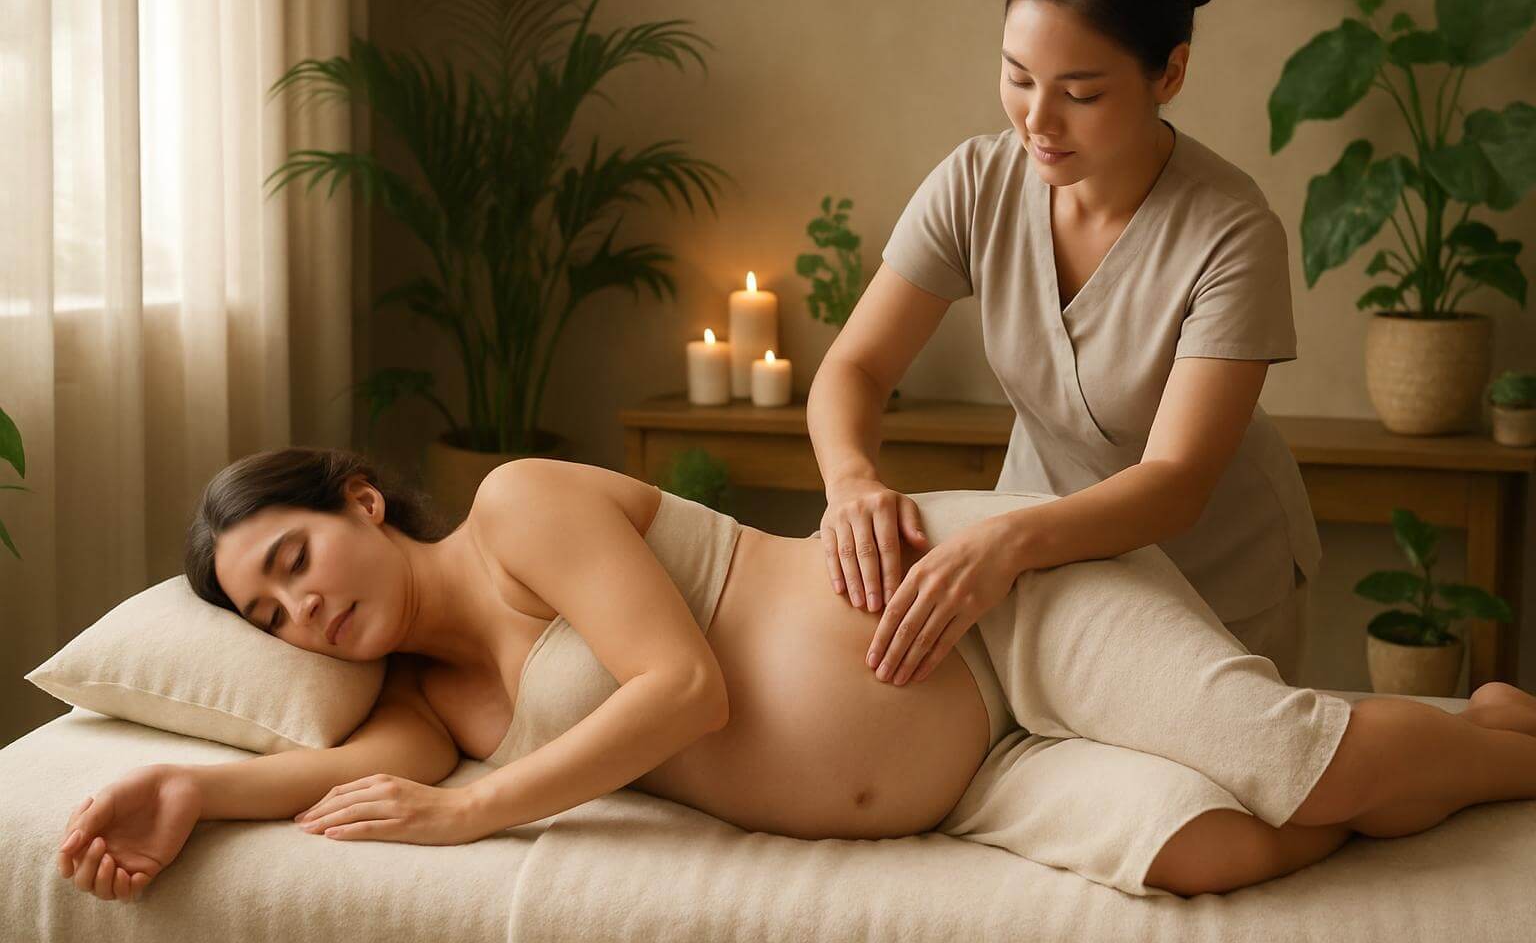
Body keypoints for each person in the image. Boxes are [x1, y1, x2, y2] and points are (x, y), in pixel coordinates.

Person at [55, 449, 1536, 904]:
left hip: (980, 607)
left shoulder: (519, 510)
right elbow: (336, 775)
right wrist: (184, 782)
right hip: (968, 777)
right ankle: (1457, 725)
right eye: (273, 614)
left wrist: (482, 813)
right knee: (1219, 849)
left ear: (363, 503)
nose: (305, 614)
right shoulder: (426, 707)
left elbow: (682, 690)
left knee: (1298, 764)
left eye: (298, 561)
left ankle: (1500, 742)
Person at [808, 0, 1322, 689]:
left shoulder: (1232, 231)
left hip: (1211, 577)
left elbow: (1176, 479)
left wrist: (1005, 540)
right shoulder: (977, 182)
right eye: (1018, 77)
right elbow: (857, 365)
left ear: (1169, 74)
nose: (1037, 123)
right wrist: (850, 482)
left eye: (1080, 93)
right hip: (1046, 564)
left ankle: (1492, 735)